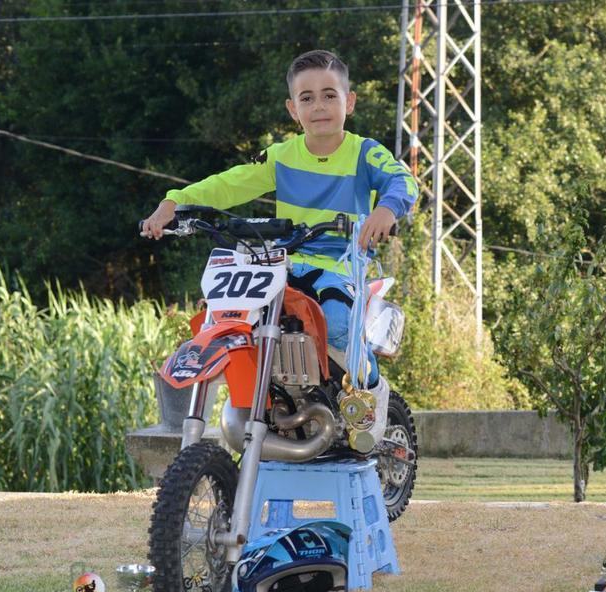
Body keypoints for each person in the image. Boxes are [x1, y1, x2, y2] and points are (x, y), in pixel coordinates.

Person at [140, 49, 419, 446]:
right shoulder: (280, 156)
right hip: (280, 264)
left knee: (338, 324)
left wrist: (386, 210)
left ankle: (371, 395)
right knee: (230, 316)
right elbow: (229, 182)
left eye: (329, 95)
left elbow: (402, 180)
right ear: (293, 109)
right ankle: (268, 405)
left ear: (349, 102)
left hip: (339, 265)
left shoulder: (364, 152)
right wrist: (175, 201)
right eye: (306, 98)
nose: (318, 106)